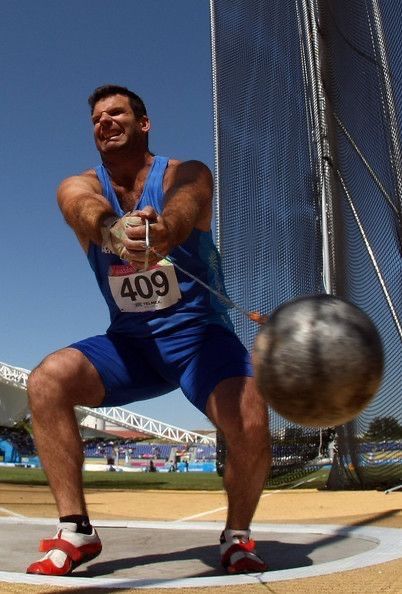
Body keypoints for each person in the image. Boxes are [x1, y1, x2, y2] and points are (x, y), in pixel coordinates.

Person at [26, 84, 271, 576]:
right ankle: (76, 531)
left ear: (143, 124)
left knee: (249, 418)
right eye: (96, 118)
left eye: (116, 113)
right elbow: (79, 205)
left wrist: (162, 232)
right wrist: (111, 231)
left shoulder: (186, 172)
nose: (105, 122)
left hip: (200, 341)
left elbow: (186, 202)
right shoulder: (81, 185)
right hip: (130, 347)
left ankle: (237, 535)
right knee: (46, 380)